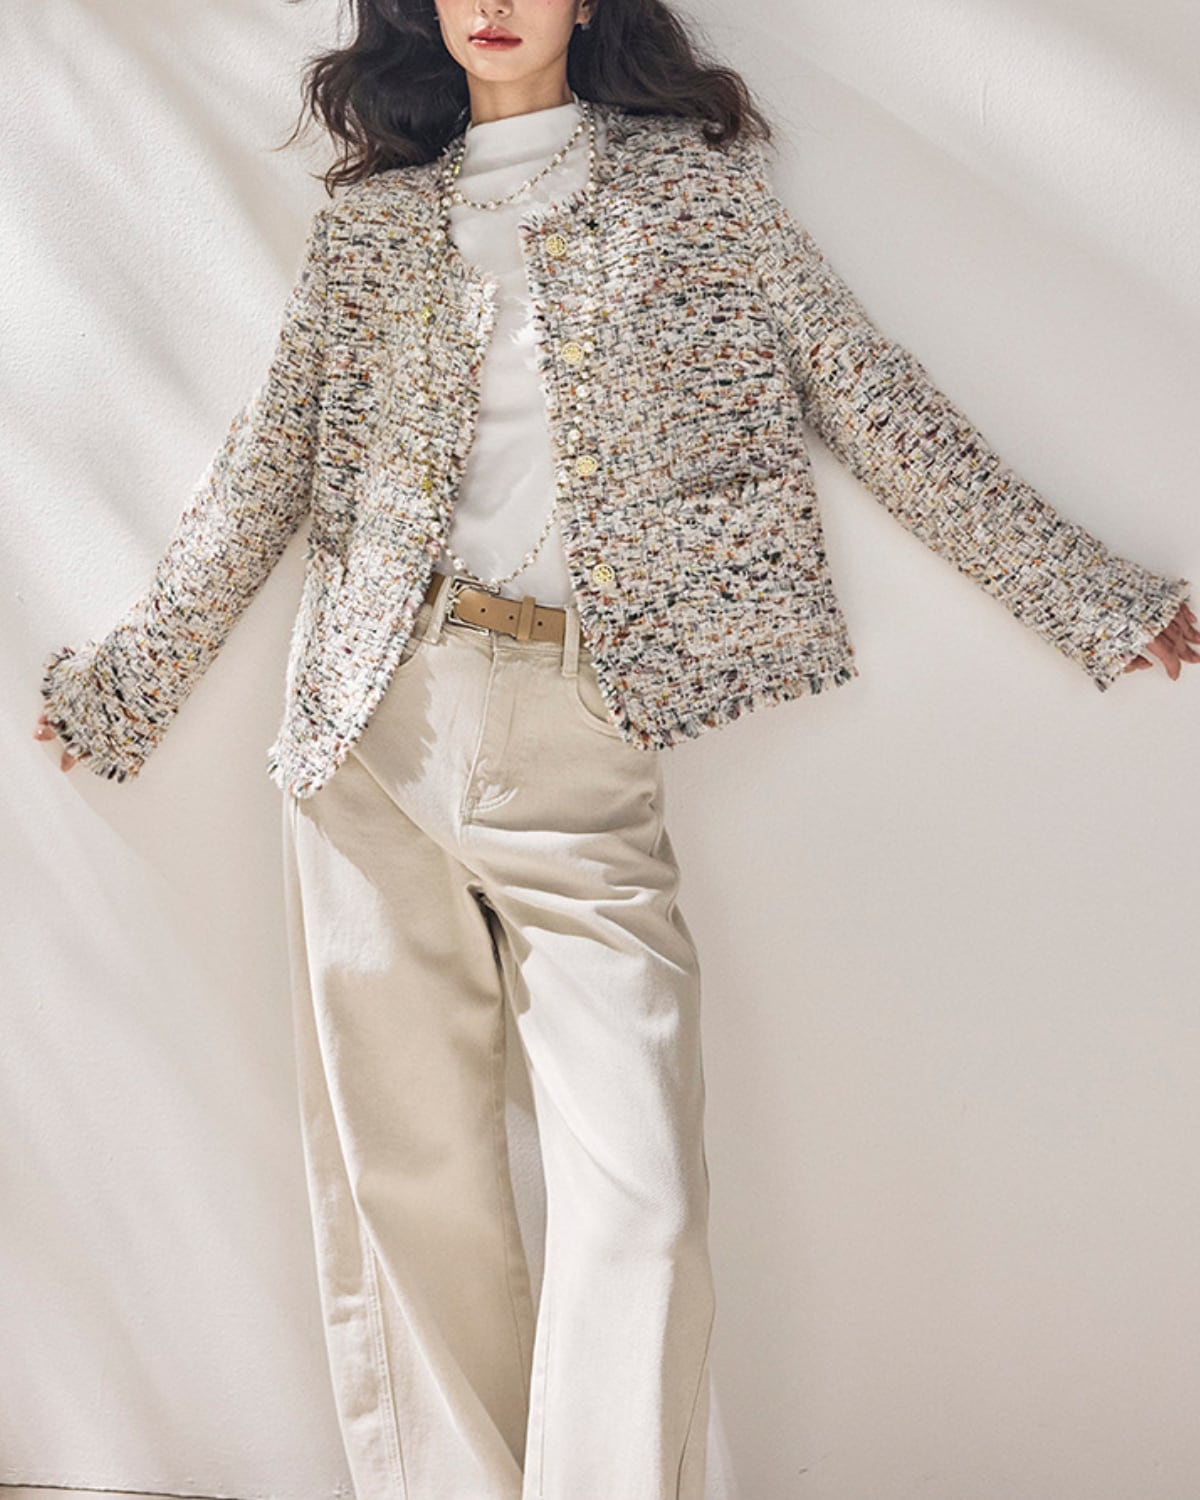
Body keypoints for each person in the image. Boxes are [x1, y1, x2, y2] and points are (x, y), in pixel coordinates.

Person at [33, 0, 1197, 1496]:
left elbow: (873, 399)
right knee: (409, 1186)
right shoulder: (372, 229)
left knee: (642, 1192)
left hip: (583, 722)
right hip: (368, 719)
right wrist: (131, 683)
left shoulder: (696, 197)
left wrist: (1087, 592)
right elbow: (268, 465)